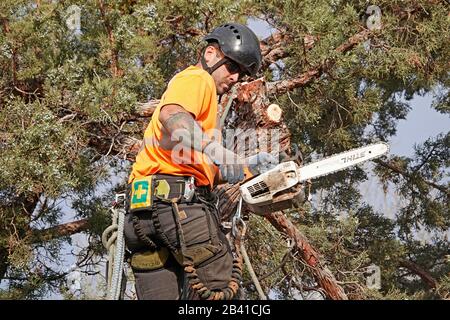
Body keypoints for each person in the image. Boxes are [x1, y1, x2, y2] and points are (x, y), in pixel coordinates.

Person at [124, 22, 277, 300]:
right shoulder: (197, 79)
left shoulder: (199, 125)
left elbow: (192, 163)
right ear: (210, 53)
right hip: (176, 211)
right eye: (232, 67)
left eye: (240, 74)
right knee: (223, 294)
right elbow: (172, 114)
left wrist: (244, 167)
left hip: (141, 221)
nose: (235, 78)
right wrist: (219, 151)